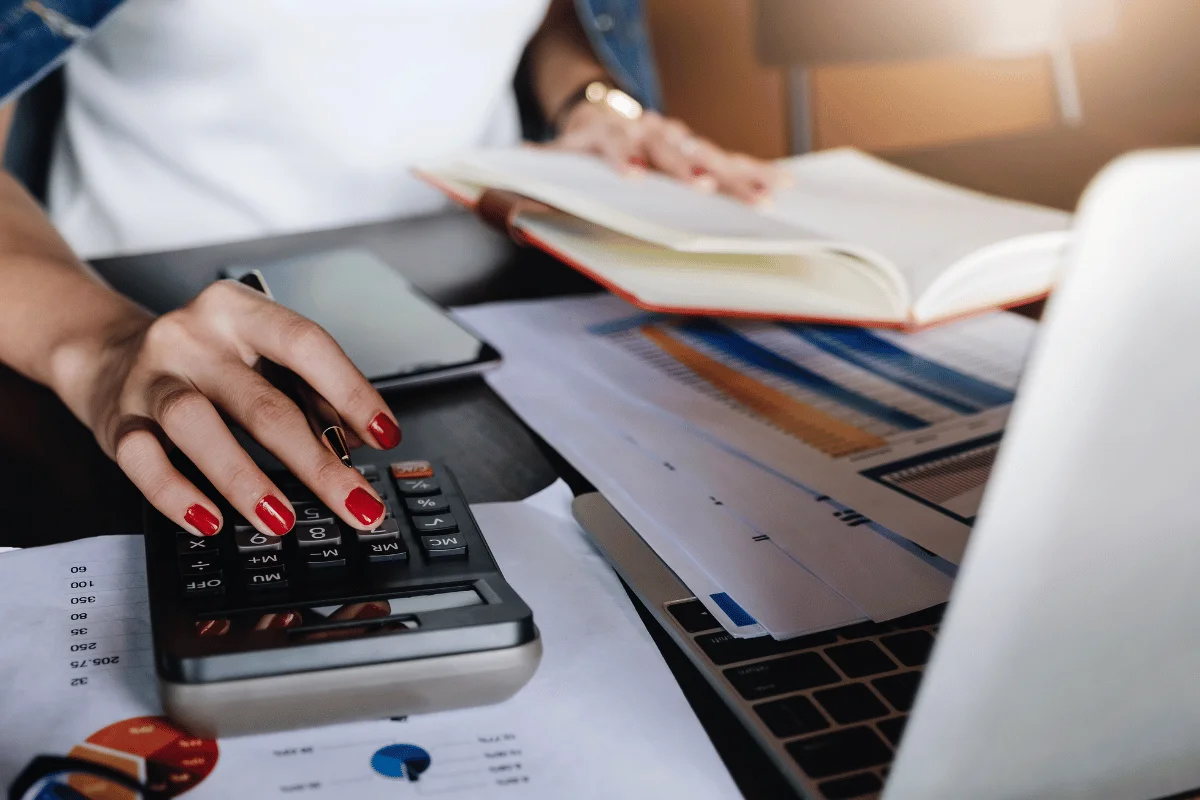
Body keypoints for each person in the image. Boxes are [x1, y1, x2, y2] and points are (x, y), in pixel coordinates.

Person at [0, 0, 783, 540]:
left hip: (485, 302)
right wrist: (103, 351)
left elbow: (548, 13)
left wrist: (592, 105)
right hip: (149, 332)